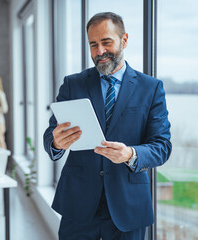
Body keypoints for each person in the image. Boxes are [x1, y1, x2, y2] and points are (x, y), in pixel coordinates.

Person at [43, 12, 172, 239]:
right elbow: (50, 134)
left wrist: (130, 153)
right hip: (79, 203)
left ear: (124, 40)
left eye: (106, 42)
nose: (99, 51)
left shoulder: (150, 88)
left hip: (128, 205)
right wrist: (55, 142)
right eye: (93, 45)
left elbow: (162, 146)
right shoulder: (73, 84)